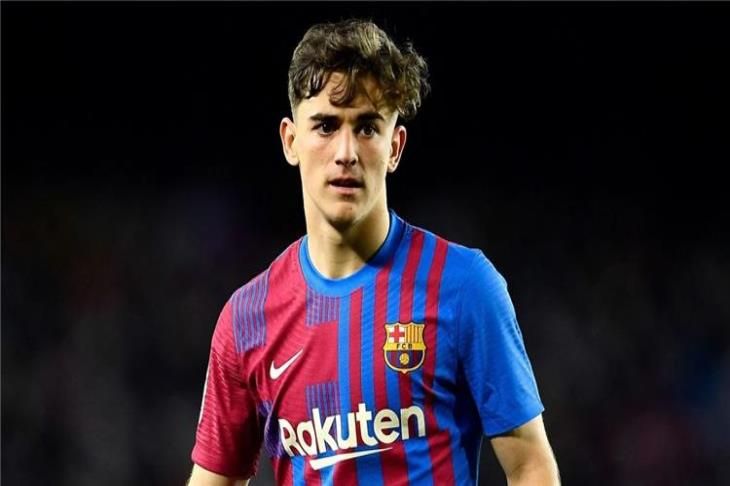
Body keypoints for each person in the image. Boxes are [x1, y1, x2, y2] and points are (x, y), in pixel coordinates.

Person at [188, 19, 559, 486]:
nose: (346, 151)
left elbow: (530, 466)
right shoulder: (246, 319)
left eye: (366, 127)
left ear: (395, 146)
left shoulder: (464, 286)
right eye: (326, 125)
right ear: (290, 141)